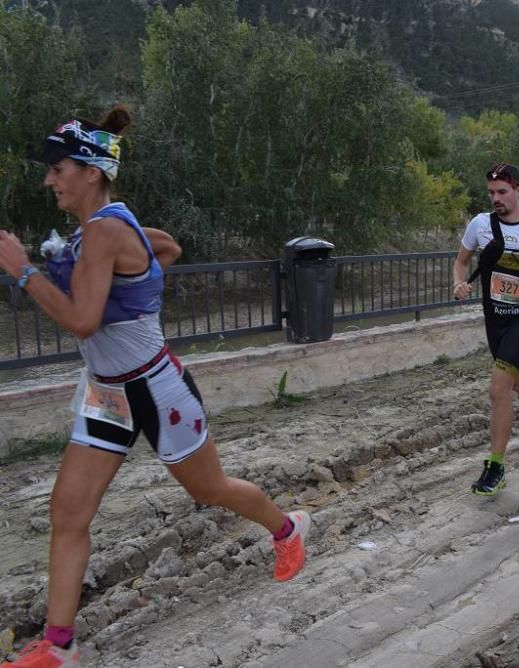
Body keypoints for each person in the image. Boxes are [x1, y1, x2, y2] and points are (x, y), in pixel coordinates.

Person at [0, 108, 310, 668]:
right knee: (68, 515)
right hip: (107, 394)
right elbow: (166, 248)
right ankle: (58, 646)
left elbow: (82, 321)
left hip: (157, 389)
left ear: (91, 172)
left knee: (209, 490)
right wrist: (134, 281)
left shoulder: (105, 231)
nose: (49, 178)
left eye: (58, 167)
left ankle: (288, 529)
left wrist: (24, 272)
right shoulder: (101, 230)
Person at [453, 163, 519, 496]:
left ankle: (496, 467)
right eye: (491, 193)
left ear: (518, 190)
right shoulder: (480, 225)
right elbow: (461, 260)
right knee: (516, 379)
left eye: (502, 192)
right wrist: (459, 282)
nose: (496, 198)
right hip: (495, 317)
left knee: (499, 387)